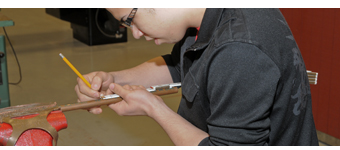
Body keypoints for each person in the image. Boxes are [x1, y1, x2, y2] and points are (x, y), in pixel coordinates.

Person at [75, 8, 319, 146]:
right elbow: (181, 66)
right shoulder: (205, 19)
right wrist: (114, 79)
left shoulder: (239, 49)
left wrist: (155, 109)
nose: (136, 33)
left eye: (130, 19)